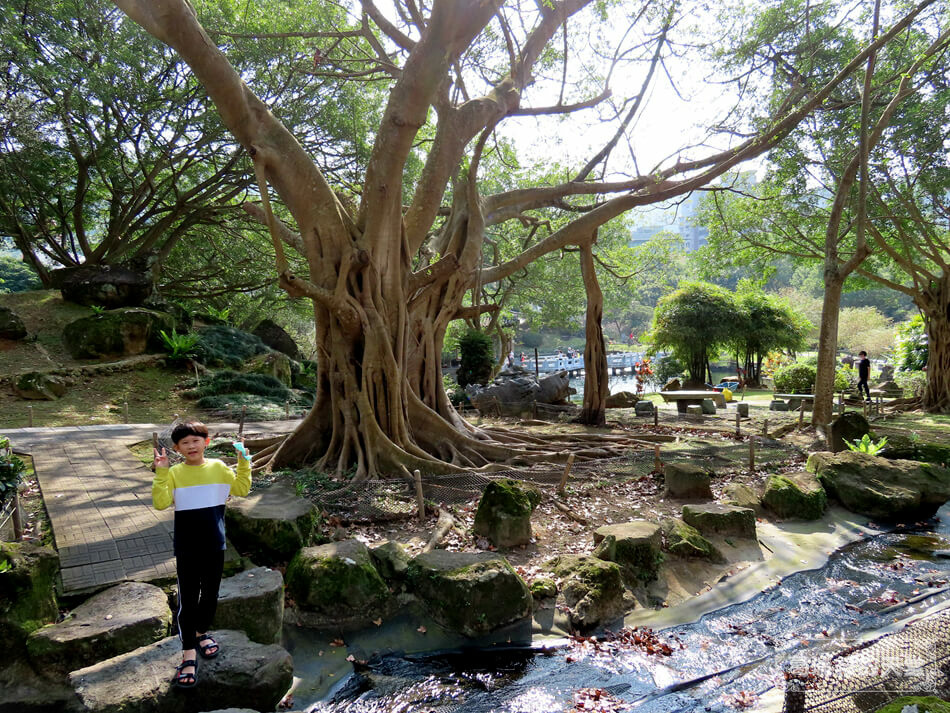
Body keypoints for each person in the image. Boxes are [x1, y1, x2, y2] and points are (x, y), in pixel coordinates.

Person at [152, 421, 252, 688]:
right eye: (185, 443)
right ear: (177, 448)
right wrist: (161, 473)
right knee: (188, 599)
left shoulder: (219, 467)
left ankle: (200, 632)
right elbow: (160, 503)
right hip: (187, 547)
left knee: (210, 595)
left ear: (206, 442)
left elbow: (241, 489)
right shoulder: (174, 472)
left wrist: (243, 462)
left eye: (196, 440)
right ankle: (188, 653)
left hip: (215, 544)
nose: (191, 446)